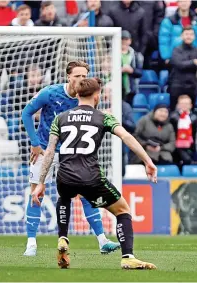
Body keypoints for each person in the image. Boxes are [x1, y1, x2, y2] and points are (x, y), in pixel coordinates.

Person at [31, 78, 157, 270]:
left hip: (64, 175)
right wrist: (147, 161)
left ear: (78, 95)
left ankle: (63, 238)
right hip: (90, 177)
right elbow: (126, 136)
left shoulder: (61, 117)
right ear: (97, 96)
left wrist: (40, 182)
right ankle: (128, 257)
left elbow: (49, 152)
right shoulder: (103, 117)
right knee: (123, 211)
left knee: (64, 196)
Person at [21, 61, 120, 257]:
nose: (81, 80)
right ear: (68, 76)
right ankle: (31, 243)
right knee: (36, 193)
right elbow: (26, 113)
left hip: (71, 153)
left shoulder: (87, 99)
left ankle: (102, 240)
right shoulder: (50, 93)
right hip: (45, 150)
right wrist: (34, 143)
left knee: (85, 193)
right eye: (77, 76)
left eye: (84, 76)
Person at [169, 26, 197, 110]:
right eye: (186, 34)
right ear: (182, 36)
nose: (189, 36)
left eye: (191, 34)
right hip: (177, 85)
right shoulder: (176, 50)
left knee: (190, 111)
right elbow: (179, 64)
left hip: (192, 85)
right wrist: (193, 62)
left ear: (194, 37)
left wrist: (190, 64)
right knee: (174, 110)